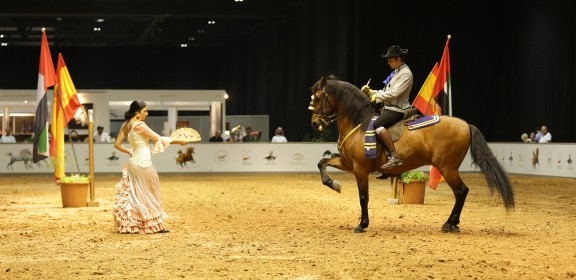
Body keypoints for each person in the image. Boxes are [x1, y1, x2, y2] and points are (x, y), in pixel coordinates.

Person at [112, 100, 187, 234]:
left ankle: (135, 223)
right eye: (145, 111)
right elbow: (157, 138)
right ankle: (154, 225)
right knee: (150, 191)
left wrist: (129, 151)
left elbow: (116, 145)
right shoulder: (139, 125)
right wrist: (178, 141)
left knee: (136, 194)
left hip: (133, 163)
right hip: (143, 162)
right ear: (137, 113)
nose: (147, 113)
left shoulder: (126, 125)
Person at [361, 45, 413, 169]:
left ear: (399, 59)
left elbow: (394, 93)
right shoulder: (397, 71)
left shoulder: (406, 74)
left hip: (398, 109)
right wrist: (371, 92)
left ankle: (394, 156)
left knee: (377, 124)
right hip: (390, 107)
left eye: (390, 59)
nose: (388, 62)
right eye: (388, 59)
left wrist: (376, 98)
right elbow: (386, 90)